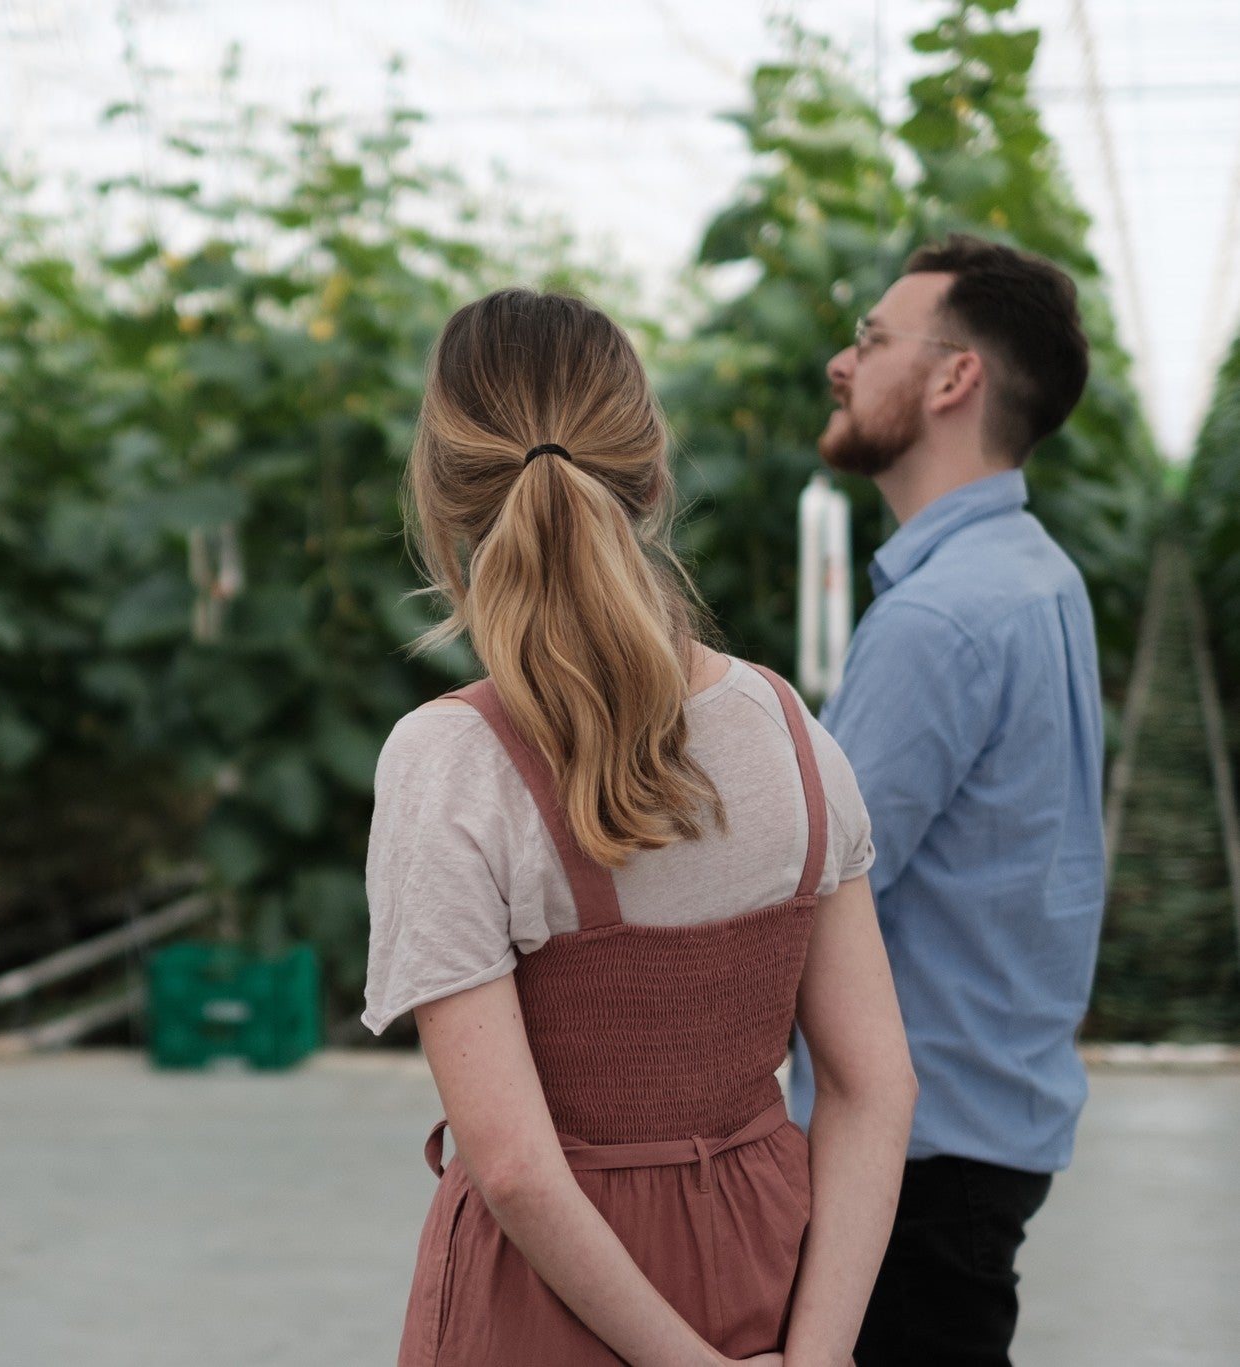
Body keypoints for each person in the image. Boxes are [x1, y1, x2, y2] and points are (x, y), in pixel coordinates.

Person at [365, 288, 916, 1366]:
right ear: (654, 474)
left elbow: (515, 1164)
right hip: (768, 1254)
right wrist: (818, 1353)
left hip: (555, 1294)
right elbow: (871, 1078)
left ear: (438, 495)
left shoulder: (450, 762)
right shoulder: (783, 726)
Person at [789, 235, 1106, 1367]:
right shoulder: (1035, 576)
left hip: (912, 1153)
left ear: (950, 377)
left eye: (871, 338)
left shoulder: (939, 619)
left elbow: (811, 875)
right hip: (986, 1126)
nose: (840, 360)